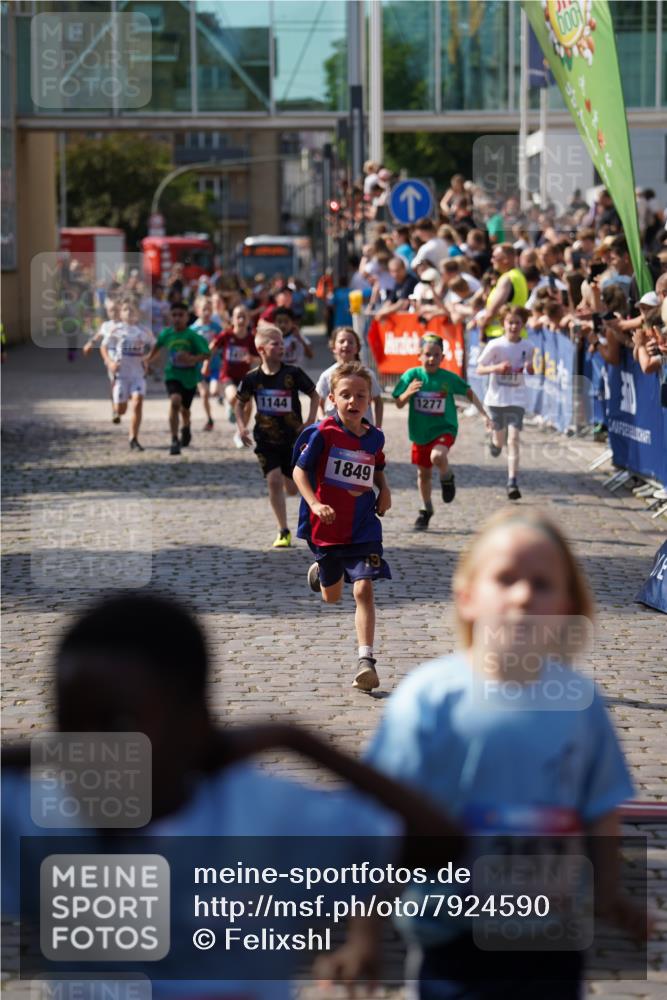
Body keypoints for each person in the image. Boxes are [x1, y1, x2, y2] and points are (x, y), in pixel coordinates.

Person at [2, 591, 465, 1000]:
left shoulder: (268, 816)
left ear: (195, 722)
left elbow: (441, 844)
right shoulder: (42, 822)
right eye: (70, 725)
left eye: (116, 725)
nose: (90, 749)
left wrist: (297, 740)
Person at [352, 508, 642, 999]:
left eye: (543, 583)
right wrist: (363, 932)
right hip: (452, 944)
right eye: (506, 579)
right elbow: (380, 823)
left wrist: (611, 897)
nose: (524, 594)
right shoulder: (429, 697)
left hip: (551, 943)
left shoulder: (581, 703)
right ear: (467, 598)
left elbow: (601, 811)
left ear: (568, 604)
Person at [292, 362, 391, 693]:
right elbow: (298, 473)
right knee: (331, 597)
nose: (353, 401)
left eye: (360, 395)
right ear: (331, 398)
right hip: (328, 529)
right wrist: (315, 505)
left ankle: (366, 661)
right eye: (346, 395)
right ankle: (321, 571)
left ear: (369, 400)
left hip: (363, 526)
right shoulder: (323, 434)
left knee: (363, 588)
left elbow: (376, 467)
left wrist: (385, 490)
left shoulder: (375, 437)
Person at [392, 335, 490, 530]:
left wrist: (485, 414)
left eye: (436, 355)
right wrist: (407, 393)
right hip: (420, 432)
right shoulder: (412, 376)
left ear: (442, 357)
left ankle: (447, 476)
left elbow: (468, 391)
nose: (431, 359)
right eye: (427, 354)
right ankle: (426, 509)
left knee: (437, 456)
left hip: (445, 428)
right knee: (424, 475)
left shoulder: (447, 378)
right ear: (419, 355)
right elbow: (398, 402)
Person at [235, 324, 318, 548]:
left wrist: (310, 421)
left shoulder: (293, 374)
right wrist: (241, 426)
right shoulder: (252, 378)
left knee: (292, 487)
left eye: (282, 343)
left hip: (293, 440)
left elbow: (314, 394)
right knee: (273, 481)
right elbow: (239, 402)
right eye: (275, 343)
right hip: (265, 440)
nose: (281, 347)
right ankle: (283, 530)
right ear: (261, 349)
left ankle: (290, 487)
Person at [476, 306, 534, 500]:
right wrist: (497, 367)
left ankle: (512, 481)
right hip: (496, 400)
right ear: (503, 324)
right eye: (510, 322)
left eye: (518, 323)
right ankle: (494, 443)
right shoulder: (495, 345)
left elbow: (531, 370)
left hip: (517, 399)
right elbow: (479, 369)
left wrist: (529, 368)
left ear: (523, 325)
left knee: (514, 440)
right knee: (500, 441)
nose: (514, 326)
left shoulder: (528, 346)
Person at [144, 301, 210, 456]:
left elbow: (207, 354)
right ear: (170, 317)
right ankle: (174, 439)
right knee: (175, 402)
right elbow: (157, 346)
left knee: (185, 410)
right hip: (173, 374)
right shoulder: (167, 334)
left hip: (190, 377)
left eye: (181, 315)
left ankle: (186, 427)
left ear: (187, 317)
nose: (177, 318)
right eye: (174, 315)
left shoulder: (192, 336)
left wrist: (192, 359)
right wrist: (147, 360)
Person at [99, 297, 155, 452]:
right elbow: (103, 347)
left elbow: (156, 346)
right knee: (121, 410)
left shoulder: (144, 331)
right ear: (121, 313)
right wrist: (110, 362)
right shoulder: (116, 330)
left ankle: (133, 438)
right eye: (125, 310)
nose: (129, 312)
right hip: (121, 377)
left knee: (137, 402)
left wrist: (148, 359)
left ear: (138, 313)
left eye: (132, 309)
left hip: (137, 375)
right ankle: (117, 407)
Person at [206, 303, 258, 448]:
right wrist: (206, 364)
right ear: (233, 319)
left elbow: (260, 358)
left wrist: (252, 359)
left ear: (248, 319)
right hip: (228, 375)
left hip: (245, 377)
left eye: (244, 317)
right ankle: (231, 407)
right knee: (233, 397)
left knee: (249, 406)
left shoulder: (250, 338)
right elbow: (212, 347)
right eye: (238, 317)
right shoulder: (227, 335)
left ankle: (240, 432)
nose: (241, 320)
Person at [316, 326, 383, 427]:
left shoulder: (367, 374)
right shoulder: (326, 375)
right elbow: (318, 403)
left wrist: (378, 427)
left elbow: (378, 401)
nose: (346, 344)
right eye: (342, 341)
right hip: (335, 431)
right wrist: (322, 420)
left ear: (357, 348)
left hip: (362, 430)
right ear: (333, 347)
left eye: (351, 342)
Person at [192, 294, 223, 430]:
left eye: (209, 310)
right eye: (204, 309)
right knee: (204, 394)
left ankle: (224, 399)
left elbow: (223, 343)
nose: (207, 313)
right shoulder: (192, 329)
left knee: (214, 391)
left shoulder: (216, 327)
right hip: (198, 368)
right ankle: (209, 419)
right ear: (197, 311)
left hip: (215, 366)